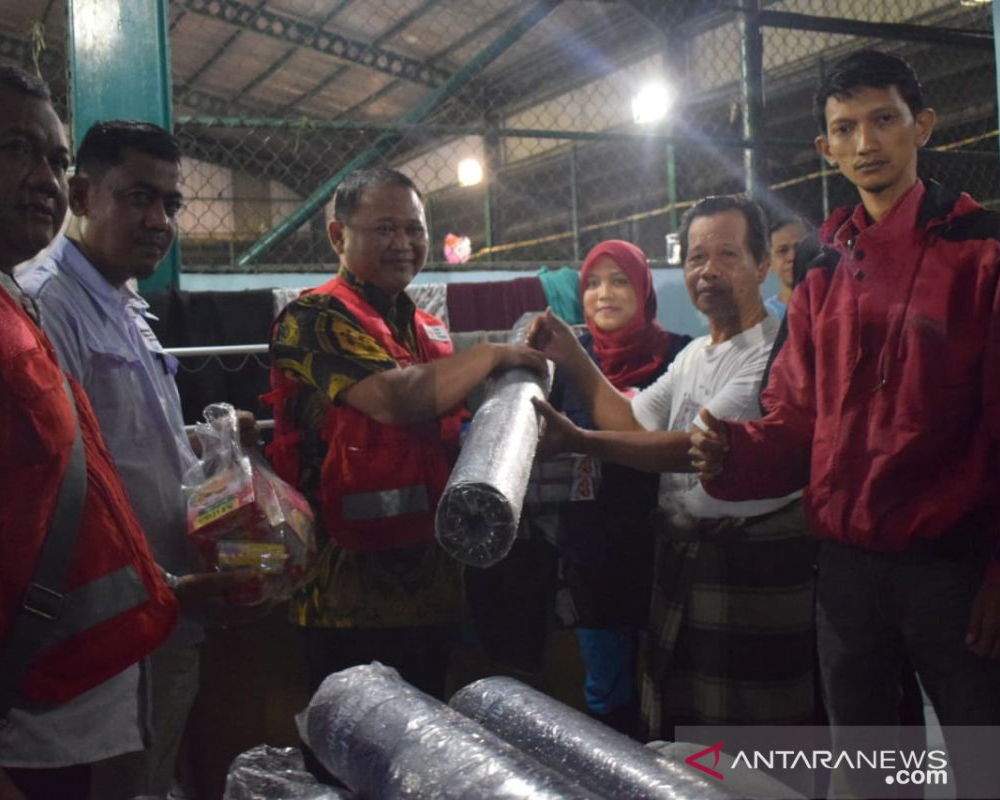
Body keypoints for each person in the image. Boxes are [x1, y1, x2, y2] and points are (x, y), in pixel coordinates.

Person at [689, 50, 1000, 798]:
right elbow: (796, 418)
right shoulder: (821, 269)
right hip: (846, 575)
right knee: (871, 775)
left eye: (883, 120)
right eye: (846, 128)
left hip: (957, 573)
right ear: (826, 150)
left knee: (985, 770)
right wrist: (731, 451)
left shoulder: (987, 250)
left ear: (921, 127)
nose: (866, 142)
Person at [0, 64, 180, 800]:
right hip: (12, 739)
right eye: (16, 149)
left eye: (55, 159)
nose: (46, 179)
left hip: (64, 719)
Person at [17, 120, 255, 800]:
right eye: (139, 198)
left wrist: (223, 464)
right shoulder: (48, 304)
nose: (159, 220)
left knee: (147, 781)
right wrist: (160, 586)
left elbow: (139, 453)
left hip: (163, 613)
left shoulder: (122, 302)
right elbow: (54, 483)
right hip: (108, 625)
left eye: (171, 204)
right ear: (82, 195)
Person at [529, 195, 816, 743]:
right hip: (688, 559)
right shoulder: (694, 356)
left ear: (761, 265)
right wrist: (572, 353)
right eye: (695, 258)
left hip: (748, 564)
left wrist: (578, 440)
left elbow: (694, 447)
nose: (707, 271)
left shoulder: (773, 350)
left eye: (726, 255)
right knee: (690, 738)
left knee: (754, 744)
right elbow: (634, 421)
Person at [265, 166, 546, 699]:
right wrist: (490, 355)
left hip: (433, 588)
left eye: (414, 230)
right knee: (354, 757)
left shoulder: (422, 328)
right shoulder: (313, 318)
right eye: (385, 229)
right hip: (344, 598)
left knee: (424, 764)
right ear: (337, 236)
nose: (404, 244)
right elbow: (396, 398)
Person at [548, 240, 689, 736]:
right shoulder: (564, 362)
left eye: (620, 280)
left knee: (671, 690)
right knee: (606, 693)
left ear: (644, 287)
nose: (604, 294)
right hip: (592, 553)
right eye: (592, 283)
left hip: (665, 547)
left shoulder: (682, 356)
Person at [762, 214, 811, 320]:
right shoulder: (765, 319)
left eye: (800, 247)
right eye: (782, 250)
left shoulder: (838, 306)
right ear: (769, 263)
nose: (792, 257)